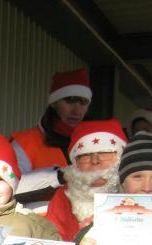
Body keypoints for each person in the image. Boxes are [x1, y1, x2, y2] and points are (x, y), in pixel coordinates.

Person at [10, 67, 93, 210]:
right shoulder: (25, 142)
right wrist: (59, 177)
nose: (76, 110)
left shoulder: (96, 143)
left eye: (83, 102)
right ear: (54, 103)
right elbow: (9, 188)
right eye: (70, 100)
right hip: (39, 222)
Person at [46, 119, 128, 242]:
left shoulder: (133, 192)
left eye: (104, 153)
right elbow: (52, 243)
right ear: (75, 163)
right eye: (85, 155)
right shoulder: (63, 197)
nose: (95, 161)